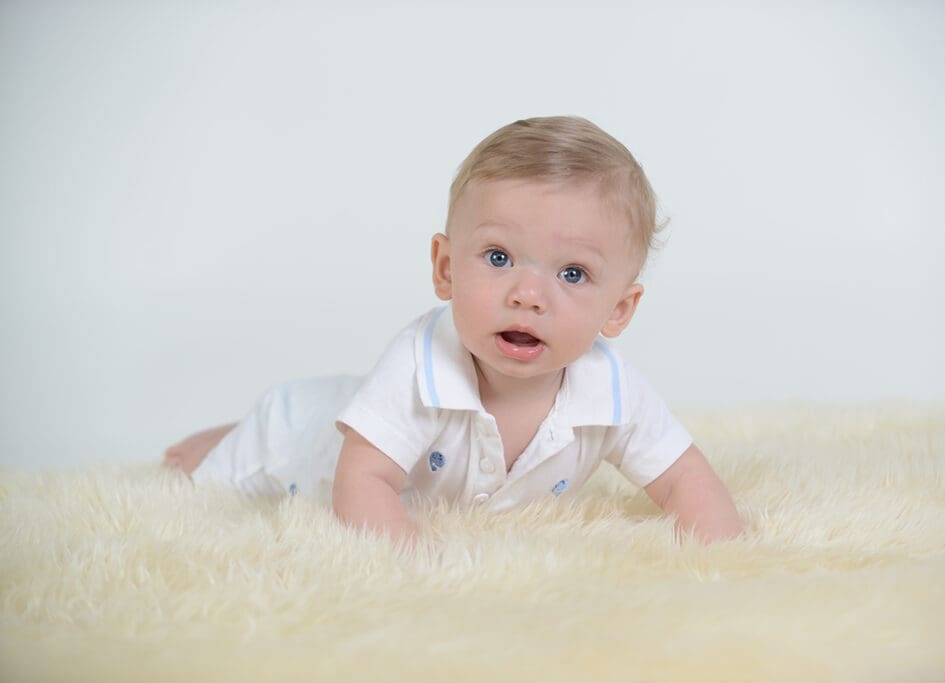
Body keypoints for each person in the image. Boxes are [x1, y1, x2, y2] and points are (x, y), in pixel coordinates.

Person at [164, 116, 742, 545]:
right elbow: (362, 482)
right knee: (202, 475)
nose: (527, 294)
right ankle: (223, 437)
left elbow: (686, 481)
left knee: (349, 404)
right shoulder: (419, 365)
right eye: (497, 257)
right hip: (297, 443)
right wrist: (417, 570)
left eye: (573, 273)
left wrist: (723, 555)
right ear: (445, 268)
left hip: (359, 413)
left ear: (618, 309)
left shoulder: (613, 391)